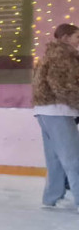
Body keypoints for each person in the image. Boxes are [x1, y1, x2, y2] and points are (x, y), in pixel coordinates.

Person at [32, 23, 79, 210]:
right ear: (66, 38)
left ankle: (52, 197)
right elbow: (62, 87)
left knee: (56, 158)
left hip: (45, 111)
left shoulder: (50, 56)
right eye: (77, 37)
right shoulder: (63, 57)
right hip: (58, 111)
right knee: (73, 159)